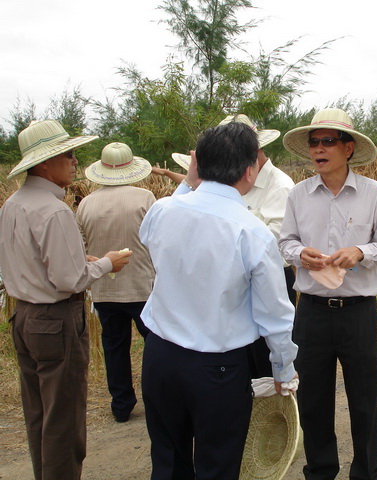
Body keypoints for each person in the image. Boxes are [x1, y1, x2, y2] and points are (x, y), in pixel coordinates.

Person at [139, 121, 298, 479]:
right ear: (250, 170)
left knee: (167, 459)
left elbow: (146, 236)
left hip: (160, 357)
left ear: (197, 164)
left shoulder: (163, 210)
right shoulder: (252, 231)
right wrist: (283, 370)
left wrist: (187, 182)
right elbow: (274, 315)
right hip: (217, 369)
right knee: (218, 465)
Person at [0, 120, 132, 480]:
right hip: (55, 321)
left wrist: (79, 262)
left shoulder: (13, 204)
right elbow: (68, 280)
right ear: (45, 164)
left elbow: (28, 260)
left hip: (24, 316)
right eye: (68, 154)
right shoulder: (54, 210)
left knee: (39, 413)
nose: (75, 161)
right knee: (64, 419)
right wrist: (107, 263)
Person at [279, 108, 377, 479]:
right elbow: (285, 241)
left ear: (348, 149)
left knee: (364, 400)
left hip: (358, 312)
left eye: (327, 141)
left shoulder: (374, 193)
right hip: (312, 312)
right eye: (314, 142)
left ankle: (367, 472)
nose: (318, 149)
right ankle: (320, 470)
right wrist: (300, 254)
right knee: (313, 401)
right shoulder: (298, 195)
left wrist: (361, 252)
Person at [77, 142, 156, 423]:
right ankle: (156, 400)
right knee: (154, 346)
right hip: (142, 286)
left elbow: (80, 247)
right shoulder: (145, 198)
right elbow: (157, 239)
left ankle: (121, 405)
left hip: (104, 288)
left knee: (114, 347)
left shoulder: (86, 204)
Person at [219, 114, 298, 378]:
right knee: (245, 360)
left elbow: (274, 245)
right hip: (240, 282)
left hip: (271, 280)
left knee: (268, 359)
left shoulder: (280, 187)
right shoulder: (234, 182)